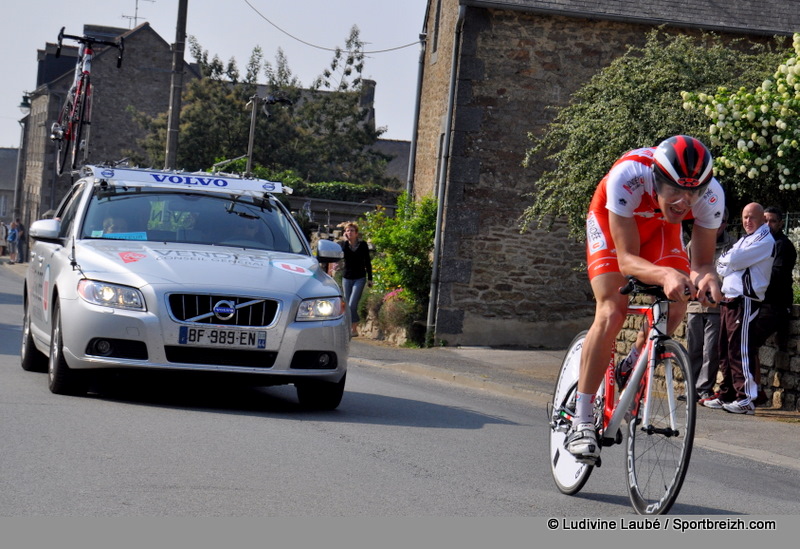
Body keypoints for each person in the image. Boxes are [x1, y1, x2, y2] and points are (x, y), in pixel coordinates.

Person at [566, 135, 725, 464]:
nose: (684, 201)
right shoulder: (629, 175)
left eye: (693, 193)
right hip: (615, 224)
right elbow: (626, 261)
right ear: (657, 178)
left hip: (661, 229)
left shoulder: (711, 196)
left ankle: (636, 359)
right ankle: (581, 419)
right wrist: (665, 274)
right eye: (676, 191)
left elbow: (702, 264)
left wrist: (708, 278)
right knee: (612, 310)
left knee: (680, 298)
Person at [702, 203, 775, 415]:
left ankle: (746, 398)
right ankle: (728, 393)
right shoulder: (745, 239)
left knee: (739, 350)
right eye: (744, 217)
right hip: (730, 299)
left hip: (746, 300)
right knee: (724, 348)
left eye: (752, 217)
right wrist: (731, 262)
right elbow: (721, 263)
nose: (747, 221)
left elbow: (731, 259)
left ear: (762, 219)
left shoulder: (764, 239)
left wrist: (731, 262)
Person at [685, 207, 735, 401]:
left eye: (721, 221)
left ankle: (703, 388)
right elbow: (687, 268)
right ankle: (691, 388)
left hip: (717, 305)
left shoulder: (733, 244)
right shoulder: (695, 243)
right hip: (695, 305)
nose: (718, 225)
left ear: (726, 223)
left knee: (711, 350)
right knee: (694, 348)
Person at [335, 223, 373, 337]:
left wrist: (370, 278)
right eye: (347, 230)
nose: (349, 232)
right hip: (347, 277)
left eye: (352, 231)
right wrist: (345, 241)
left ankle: (353, 327)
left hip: (359, 278)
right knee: (346, 304)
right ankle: (351, 329)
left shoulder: (363, 245)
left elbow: (367, 262)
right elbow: (341, 255)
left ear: (356, 233)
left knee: (352, 304)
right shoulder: (344, 245)